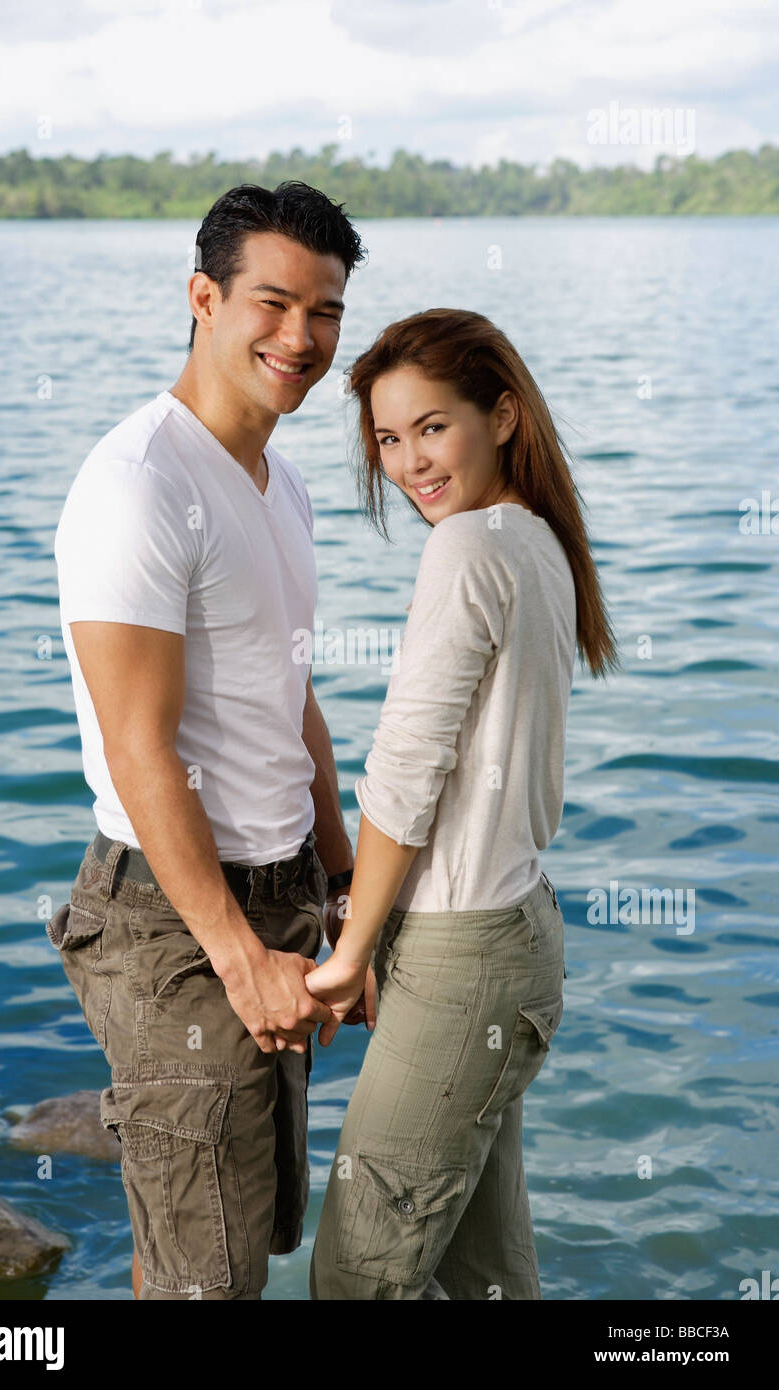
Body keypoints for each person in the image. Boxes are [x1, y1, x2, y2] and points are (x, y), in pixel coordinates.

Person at [47, 181, 366, 1299]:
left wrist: (339, 881)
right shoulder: (139, 483)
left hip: (276, 896)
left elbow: (295, 700)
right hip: (178, 922)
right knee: (204, 1278)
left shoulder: (281, 484)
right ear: (202, 296)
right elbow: (139, 749)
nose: (300, 338)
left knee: (231, 1246)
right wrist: (237, 957)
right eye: (272, 303)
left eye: (324, 311)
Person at [305, 307, 619, 1300]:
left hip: (460, 954)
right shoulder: (537, 543)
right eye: (387, 439)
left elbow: (406, 772)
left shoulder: (467, 551)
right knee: (482, 1275)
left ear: (503, 415)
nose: (406, 462)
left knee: (357, 1275)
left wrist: (350, 948)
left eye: (431, 427)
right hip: (512, 933)